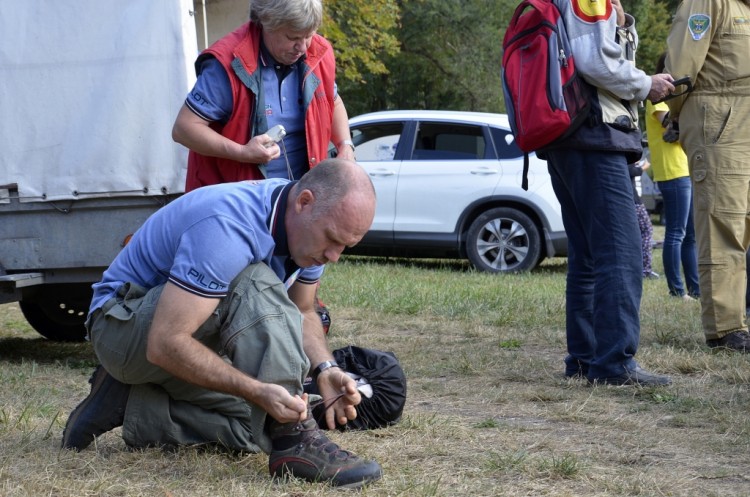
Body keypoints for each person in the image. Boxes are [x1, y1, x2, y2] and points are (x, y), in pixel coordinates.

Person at [61, 159, 383, 489]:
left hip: (178, 335)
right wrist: (256, 390)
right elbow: (165, 341)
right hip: (121, 329)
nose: (334, 256)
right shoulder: (230, 227)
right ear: (304, 202)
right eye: (332, 239)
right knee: (252, 280)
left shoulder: (308, 235)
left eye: (345, 245)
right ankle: (294, 439)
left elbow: (302, 310)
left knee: (260, 423)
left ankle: (127, 404)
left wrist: (325, 369)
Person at [543, 0, 674, 385]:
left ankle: (584, 358)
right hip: (596, 134)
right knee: (622, 252)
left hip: (566, 136)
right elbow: (595, 62)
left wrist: (622, 24)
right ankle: (614, 364)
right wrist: (647, 84)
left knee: (587, 255)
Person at [172, 0, 355, 191]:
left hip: (301, 199)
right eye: (292, 37)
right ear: (267, 22)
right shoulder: (226, 63)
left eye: (308, 36)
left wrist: (345, 145)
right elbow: (184, 129)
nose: (302, 48)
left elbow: (332, 100)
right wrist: (243, 152)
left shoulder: (318, 51)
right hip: (237, 200)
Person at [665, 0, 750, 352]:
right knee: (722, 221)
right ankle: (725, 328)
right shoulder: (709, 1)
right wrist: (678, 115)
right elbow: (682, 64)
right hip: (720, 118)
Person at [644, 53, 699, 301]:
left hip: (684, 169)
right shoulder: (656, 100)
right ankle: (677, 291)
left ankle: (695, 290)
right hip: (671, 171)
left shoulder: (673, 99)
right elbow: (670, 123)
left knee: (691, 235)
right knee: (676, 233)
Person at [628, 158, 659, 280]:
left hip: (628, 200)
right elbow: (630, 171)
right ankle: (645, 269)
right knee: (646, 231)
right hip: (633, 200)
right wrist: (644, 166)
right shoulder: (624, 149)